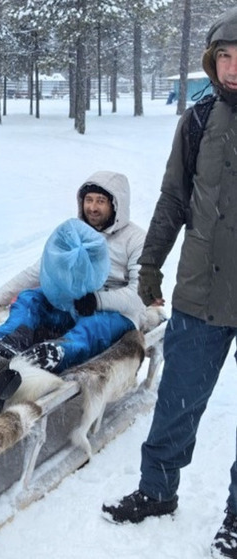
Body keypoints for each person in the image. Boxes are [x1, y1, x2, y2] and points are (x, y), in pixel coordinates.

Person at [102, 9, 237, 557]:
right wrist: (151, 264)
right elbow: (173, 201)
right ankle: (157, 491)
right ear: (212, 60)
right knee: (177, 399)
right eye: (224, 56)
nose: (233, 67)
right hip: (201, 290)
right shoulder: (198, 119)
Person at [0, 171, 146, 373]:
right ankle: (5, 341)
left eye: (101, 201)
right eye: (89, 200)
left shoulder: (136, 239)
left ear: (116, 205)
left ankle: (55, 354)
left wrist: (97, 301)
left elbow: (139, 294)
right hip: (71, 304)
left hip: (113, 312)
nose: (93, 208)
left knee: (93, 328)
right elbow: (39, 271)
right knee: (30, 298)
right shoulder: (74, 233)